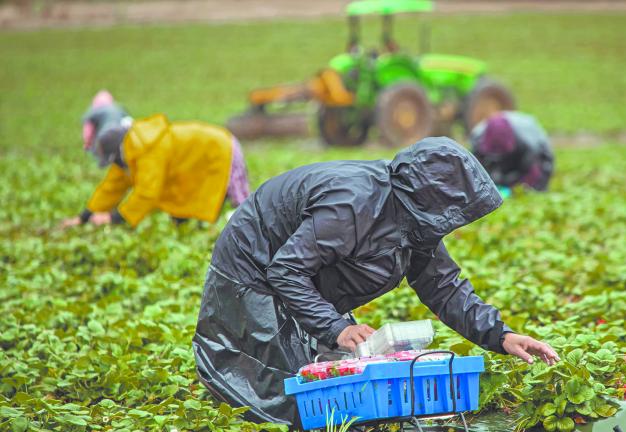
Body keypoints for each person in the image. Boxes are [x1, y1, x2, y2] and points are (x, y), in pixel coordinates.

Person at [192, 137, 560, 426]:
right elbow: (286, 270)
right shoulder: (352, 205)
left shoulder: (416, 221)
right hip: (252, 264)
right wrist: (335, 328)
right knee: (286, 396)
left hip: (305, 270)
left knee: (334, 374)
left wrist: (501, 335)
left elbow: (444, 287)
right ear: (430, 198)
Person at [61, 112, 250, 228]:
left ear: (117, 153)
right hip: (198, 160)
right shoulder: (131, 151)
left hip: (222, 149)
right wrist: (84, 217)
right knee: (185, 214)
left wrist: (114, 218)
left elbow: (148, 193)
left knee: (240, 208)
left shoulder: (148, 149)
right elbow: (112, 185)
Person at [470, 111, 554, 196]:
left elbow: (544, 162)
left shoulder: (529, 139)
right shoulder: (478, 136)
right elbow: (475, 169)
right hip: (505, 152)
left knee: (535, 182)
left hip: (526, 149)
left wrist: (532, 186)